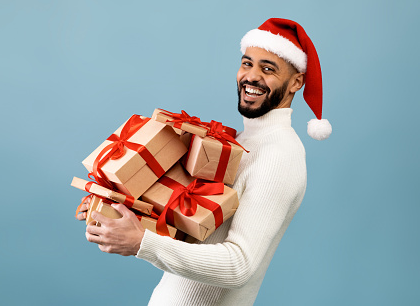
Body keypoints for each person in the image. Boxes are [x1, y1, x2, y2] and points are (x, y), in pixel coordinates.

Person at [78, 18, 332, 305]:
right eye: (247, 63)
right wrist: (122, 215)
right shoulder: (243, 144)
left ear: (296, 82)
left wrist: (141, 242)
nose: (251, 76)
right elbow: (196, 241)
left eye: (268, 69)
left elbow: (239, 265)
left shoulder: (280, 155)